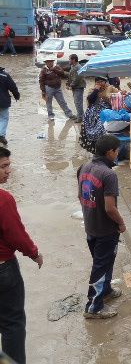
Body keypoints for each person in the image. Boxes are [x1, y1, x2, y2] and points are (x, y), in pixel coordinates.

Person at [0, 147, 43, 364]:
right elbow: (16, 235)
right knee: (12, 323)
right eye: (4, 166)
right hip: (3, 269)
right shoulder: (4, 199)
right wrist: (34, 253)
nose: (9, 171)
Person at [77, 134, 125, 319]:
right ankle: (93, 307)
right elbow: (110, 208)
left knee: (104, 264)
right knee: (100, 266)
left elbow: (80, 196)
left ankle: (105, 290)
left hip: (91, 227)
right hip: (106, 229)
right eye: (117, 150)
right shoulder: (109, 174)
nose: (118, 153)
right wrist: (121, 223)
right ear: (110, 152)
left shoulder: (84, 167)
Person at [79, 78, 121, 154]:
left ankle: (103, 149)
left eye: (101, 81)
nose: (99, 83)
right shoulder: (92, 90)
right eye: (97, 82)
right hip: (92, 112)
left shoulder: (111, 88)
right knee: (86, 124)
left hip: (105, 112)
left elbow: (119, 96)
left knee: (101, 126)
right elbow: (90, 100)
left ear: (105, 82)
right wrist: (96, 90)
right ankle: (94, 148)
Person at [0, 67, 19, 146]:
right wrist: (16, 95)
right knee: (4, 118)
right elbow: (13, 87)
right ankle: (1, 135)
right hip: (3, 101)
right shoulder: (5, 75)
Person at [67, 54, 86, 123]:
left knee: (78, 103)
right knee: (77, 102)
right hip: (76, 87)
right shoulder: (73, 66)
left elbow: (77, 78)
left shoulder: (78, 67)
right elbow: (70, 76)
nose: (69, 60)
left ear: (73, 60)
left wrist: (71, 85)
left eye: (69, 59)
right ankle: (80, 116)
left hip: (79, 87)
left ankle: (80, 118)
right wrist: (68, 84)